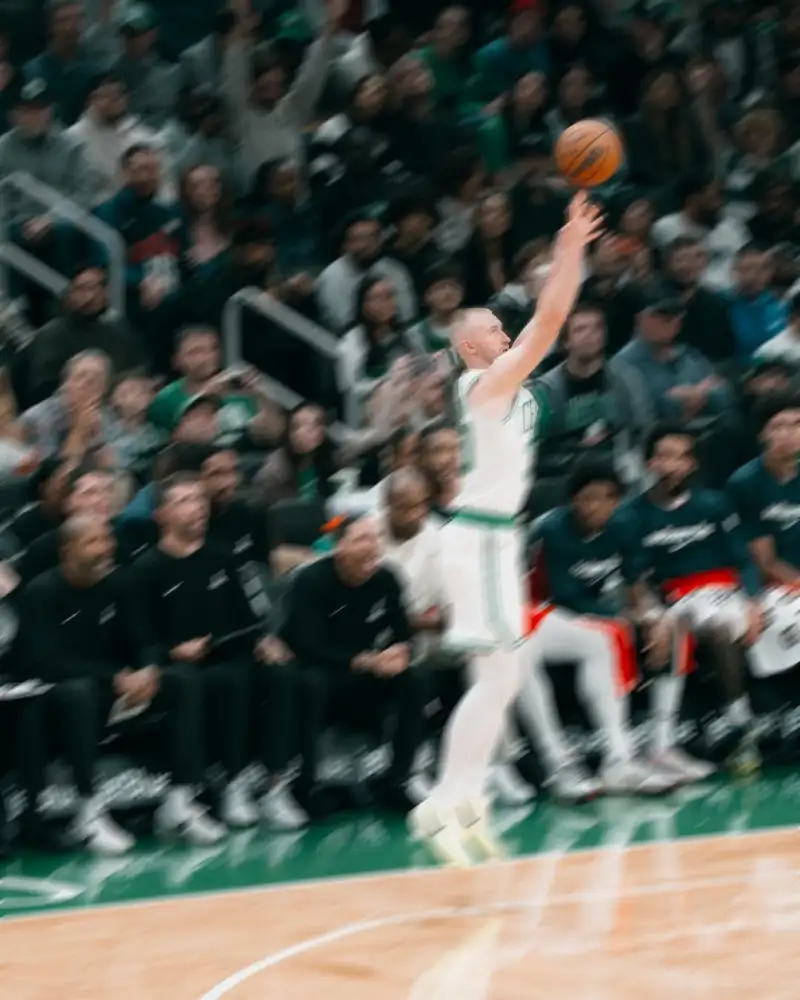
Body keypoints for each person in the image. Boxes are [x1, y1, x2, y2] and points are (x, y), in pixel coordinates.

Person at [409, 191, 602, 865]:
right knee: (496, 679)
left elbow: (554, 322)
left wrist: (571, 261)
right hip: (478, 537)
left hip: (495, 539)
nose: (504, 334)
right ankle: (443, 800)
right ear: (469, 346)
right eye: (494, 329)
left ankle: (465, 799)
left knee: (503, 678)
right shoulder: (479, 387)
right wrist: (569, 249)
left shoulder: (514, 394)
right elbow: (548, 323)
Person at [17, 515, 224, 853]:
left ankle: (179, 800)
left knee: (182, 682)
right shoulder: (41, 592)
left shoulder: (119, 584)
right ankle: (87, 811)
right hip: (60, 698)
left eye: (107, 539)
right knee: (80, 692)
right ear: (67, 550)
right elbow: (44, 662)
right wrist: (115, 678)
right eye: (93, 542)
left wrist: (149, 670)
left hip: (118, 689)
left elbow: (143, 640)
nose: (105, 548)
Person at [523, 458, 706, 795]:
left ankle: (660, 746)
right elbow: (565, 597)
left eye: (608, 498)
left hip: (588, 613)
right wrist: (629, 618)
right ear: (573, 500)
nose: (598, 506)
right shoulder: (551, 531)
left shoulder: (623, 526)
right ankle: (590, 761)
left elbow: (635, 582)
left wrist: (653, 616)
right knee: (610, 635)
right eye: (589, 498)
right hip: (539, 612)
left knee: (670, 626)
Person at [128, 473, 299, 829]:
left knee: (282, 674)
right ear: (162, 515)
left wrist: (263, 639)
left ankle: (275, 785)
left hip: (229, 653)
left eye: (200, 500)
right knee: (228, 680)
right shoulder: (146, 570)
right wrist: (173, 651)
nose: (198, 508)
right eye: (185, 501)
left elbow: (249, 618)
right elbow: (140, 640)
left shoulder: (223, 556)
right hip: (181, 668)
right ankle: (227, 785)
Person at [621, 424, 762, 775]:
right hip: (675, 600)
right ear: (650, 463)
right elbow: (634, 577)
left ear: (693, 464)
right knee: (688, 628)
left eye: (681, 457)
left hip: (726, 593)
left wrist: (753, 600)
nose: (673, 465)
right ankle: (676, 742)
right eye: (665, 456)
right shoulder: (633, 515)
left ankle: (741, 725)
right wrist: (652, 615)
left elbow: (744, 560)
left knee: (720, 626)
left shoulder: (715, 503)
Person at [281, 514, 426, 815]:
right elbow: (307, 646)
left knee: (414, 679)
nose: (372, 546)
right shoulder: (311, 581)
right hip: (325, 671)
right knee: (311, 683)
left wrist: (401, 653)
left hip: (369, 674)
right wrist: (366, 660)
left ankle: (398, 779)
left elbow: (404, 634)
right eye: (361, 539)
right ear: (339, 547)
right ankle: (305, 785)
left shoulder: (387, 578)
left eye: (375, 538)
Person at [727, 395, 800, 679]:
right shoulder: (745, 483)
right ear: (763, 434)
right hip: (770, 584)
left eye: (796, 424)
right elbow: (765, 562)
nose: (789, 433)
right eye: (778, 426)